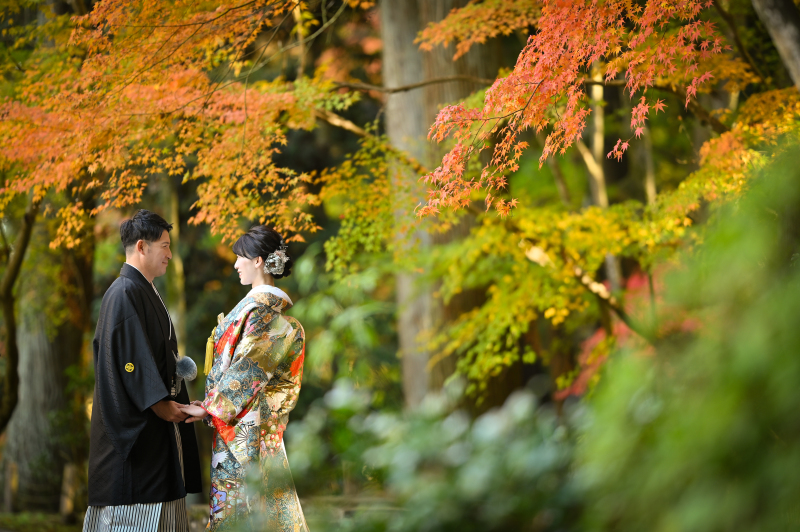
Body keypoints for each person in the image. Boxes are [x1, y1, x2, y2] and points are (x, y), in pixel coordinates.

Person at [180, 225, 308, 532]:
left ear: (258, 261)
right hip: (240, 422)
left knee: (246, 507)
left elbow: (249, 368)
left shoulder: (264, 313)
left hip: (247, 428)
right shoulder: (257, 309)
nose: (236, 264)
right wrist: (210, 406)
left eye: (241, 257)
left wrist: (210, 408)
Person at [84, 209, 202, 532]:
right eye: (164, 246)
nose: (169, 254)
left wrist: (177, 404)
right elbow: (131, 362)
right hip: (136, 442)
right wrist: (162, 405)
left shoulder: (143, 290)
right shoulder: (123, 293)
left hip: (157, 432)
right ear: (141, 247)